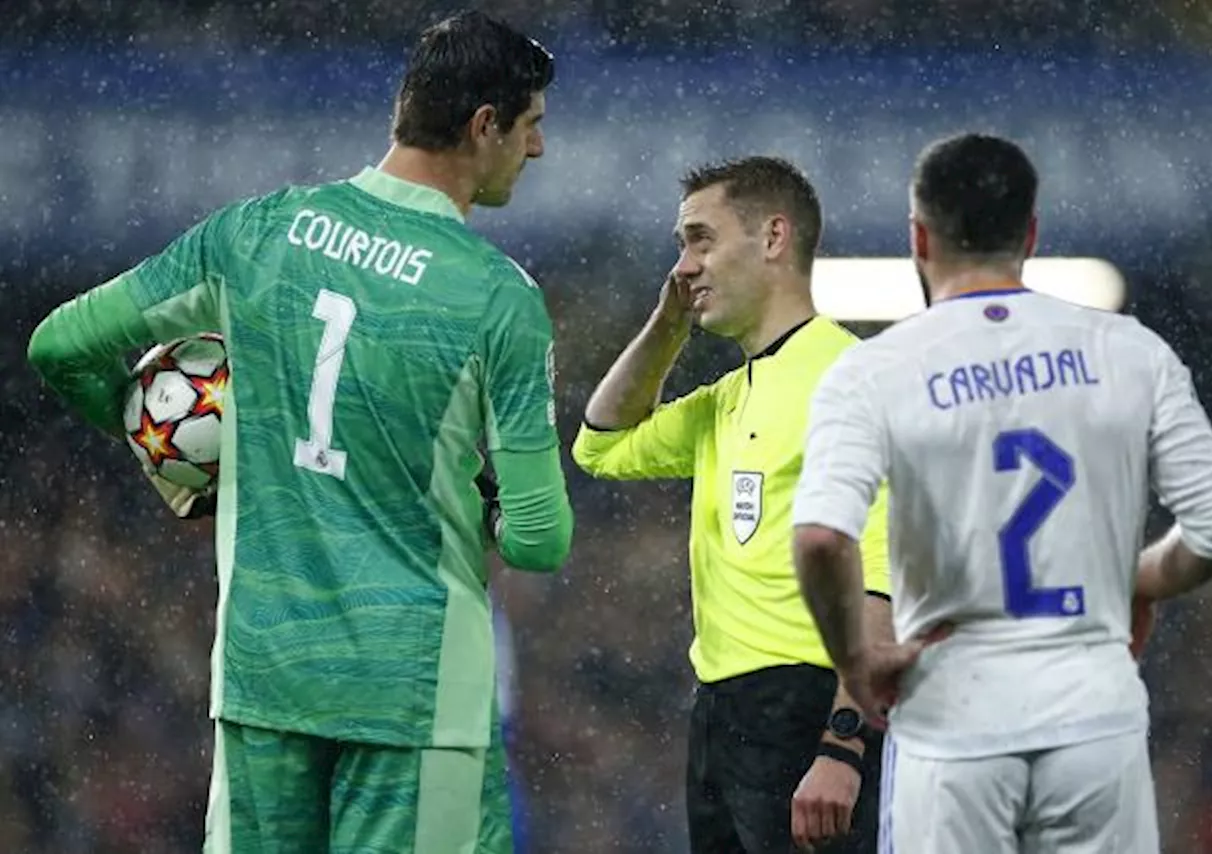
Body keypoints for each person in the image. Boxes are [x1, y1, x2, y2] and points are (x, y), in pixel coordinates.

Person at [27, 11, 573, 853]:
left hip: (266, 678)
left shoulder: (255, 233)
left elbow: (60, 345)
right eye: (532, 125)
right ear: (483, 126)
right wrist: (488, 495)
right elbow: (539, 541)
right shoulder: (496, 297)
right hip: (415, 693)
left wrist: (162, 447)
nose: (536, 149)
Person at [791, 132, 1212, 854]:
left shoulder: (874, 371)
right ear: (1031, 234)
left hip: (954, 713)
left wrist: (855, 659)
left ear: (919, 236)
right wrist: (1135, 577)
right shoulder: (1129, 352)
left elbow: (822, 538)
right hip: (1093, 719)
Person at [572, 156, 892, 854]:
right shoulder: (728, 397)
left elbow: (880, 576)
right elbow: (599, 443)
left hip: (807, 711)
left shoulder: (850, 379)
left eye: (700, 239)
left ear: (773, 238)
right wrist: (667, 326)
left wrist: (843, 746)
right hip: (721, 712)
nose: (684, 266)